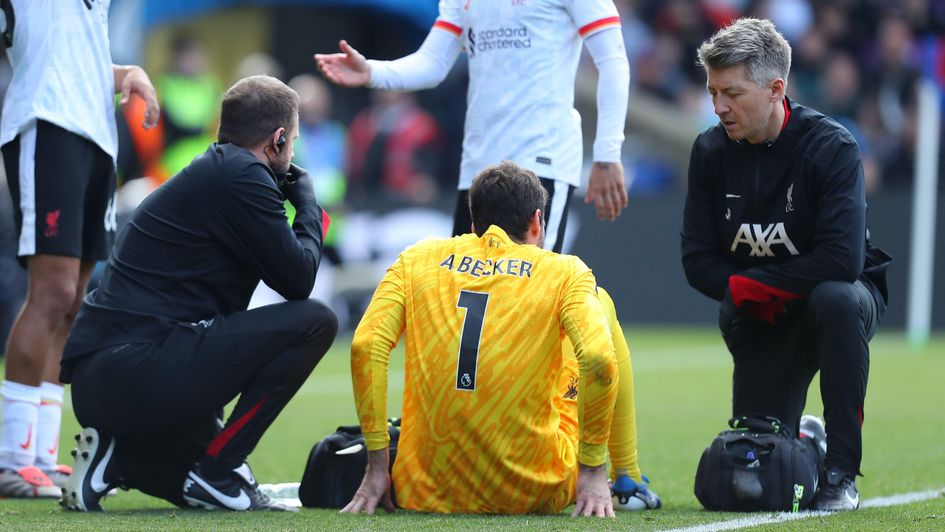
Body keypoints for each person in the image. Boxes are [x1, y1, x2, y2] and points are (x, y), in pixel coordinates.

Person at [58, 75, 337, 512]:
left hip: (109, 376)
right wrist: (308, 208)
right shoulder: (243, 175)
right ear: (278, 139)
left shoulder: (219, 169)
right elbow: (298, 280)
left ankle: (117, 460)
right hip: (138, 367)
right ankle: (218, 468)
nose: (294, 152)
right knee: (316, 321)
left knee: (203, 489)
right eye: (294, 140)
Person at [342, 161, 649, 518]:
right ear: (537, 222)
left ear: (474, 225)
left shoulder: (417, 259)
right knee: (602, 303)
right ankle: (627, 478)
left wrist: (378, 465)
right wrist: (593, 470)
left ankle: (394, 469)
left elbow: (366, 345)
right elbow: (598, 360)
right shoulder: (564, 272)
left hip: (422, 488)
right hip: (537, 488)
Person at [681, 18, 891, 512]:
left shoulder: (832, 147)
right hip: (759, 313)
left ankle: (840, 472)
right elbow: (696, 261)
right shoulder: (709, 152)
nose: (718, 108)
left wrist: (753, 285)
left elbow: (842, 261)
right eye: (713, 93)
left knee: (834, 297)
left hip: (838, 302)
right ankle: (804, 438)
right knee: (756, 469)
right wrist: (751, 295)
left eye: (731, 93)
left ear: (776, 89)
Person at [314, 0, 631, 252]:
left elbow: (613, 61)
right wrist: (372, 71)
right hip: (478, 169)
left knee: (534, 299)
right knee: (469, 294)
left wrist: (607, 154)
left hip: (540, 160)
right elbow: (433, 63)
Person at [0, 0, 159, 498]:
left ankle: (41, 458)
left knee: (74, 302)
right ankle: (10, 460)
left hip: (96, 134)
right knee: (52, 292)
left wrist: (128, 72)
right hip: (48, 123)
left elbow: (75, 56)